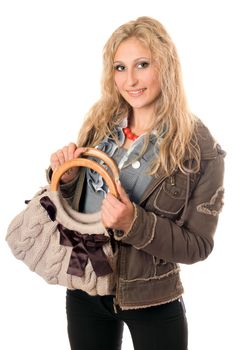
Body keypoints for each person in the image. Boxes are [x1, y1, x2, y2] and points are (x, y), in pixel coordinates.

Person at [49, 16, 225, 350]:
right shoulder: (100, 122)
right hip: (84, 286)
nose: (130, 80)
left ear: (166, 66)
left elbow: (198, 245)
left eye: (142, 65)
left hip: (152, 299)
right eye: (120, 67)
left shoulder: (199, 147)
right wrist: (68, 178)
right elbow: (77, 210)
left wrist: (134, 223)